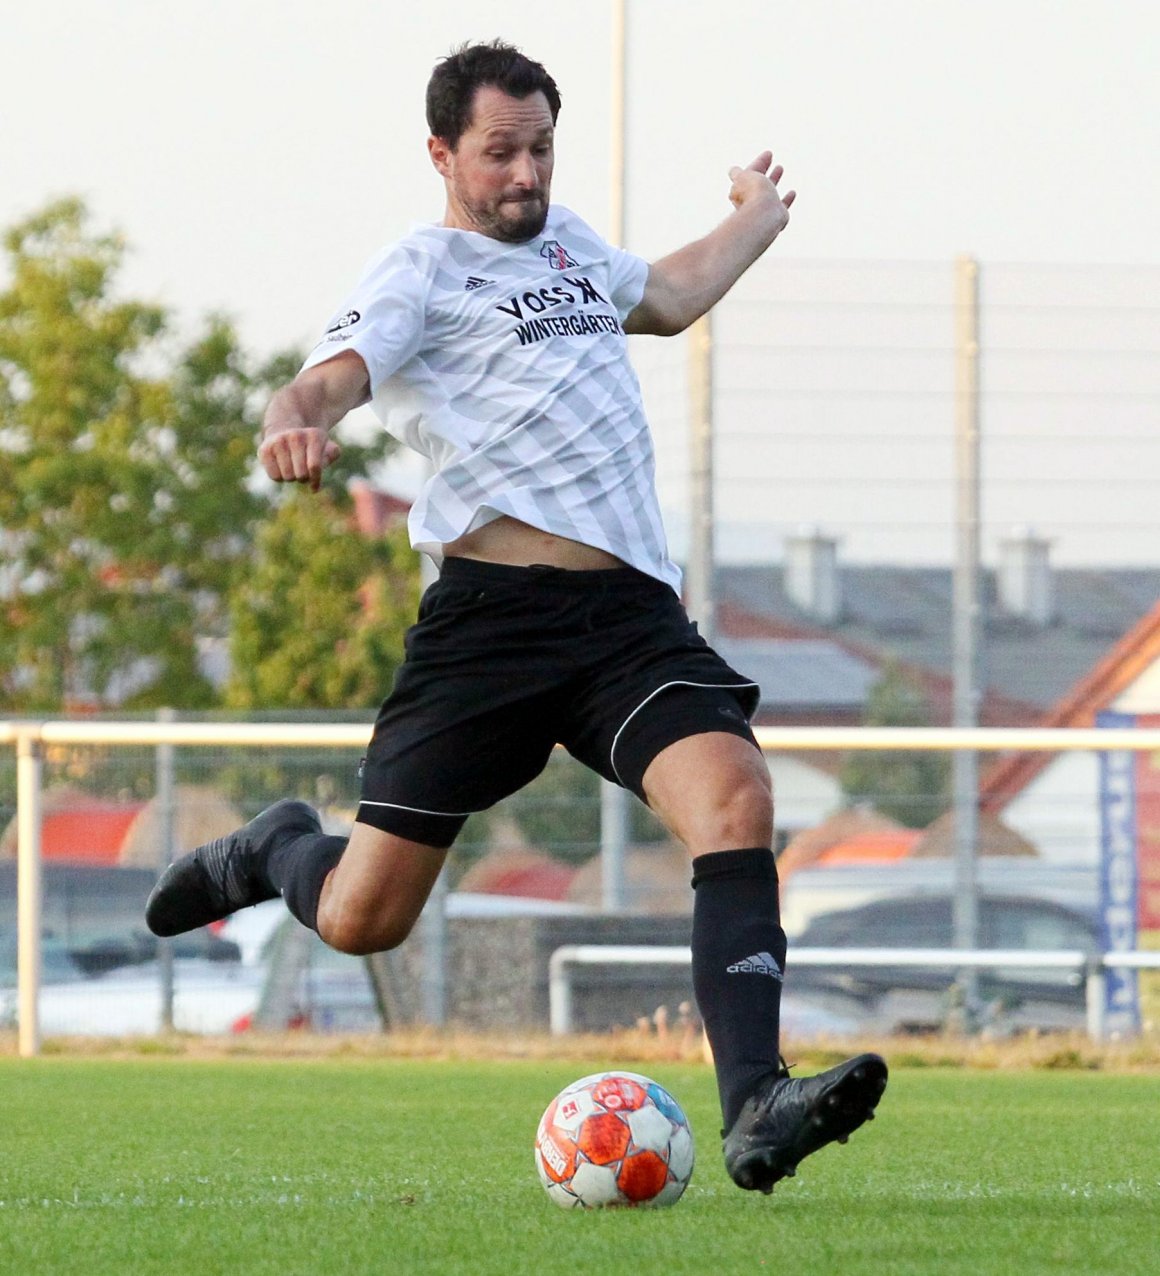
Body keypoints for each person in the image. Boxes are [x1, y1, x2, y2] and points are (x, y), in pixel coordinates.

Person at [147, 39, 886, 1194]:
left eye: (540, 148)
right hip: (487, 629)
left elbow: (676, 293)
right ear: (442, 153)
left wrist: (757, 216)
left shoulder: (572, 244)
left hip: (627, 620)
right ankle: (278, 843)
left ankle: (756, 1105)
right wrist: (292, 423)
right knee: (361, 918)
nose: (525, 174)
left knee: (734, 795)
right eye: (500, 153)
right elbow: (324, 380)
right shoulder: (418, 271)